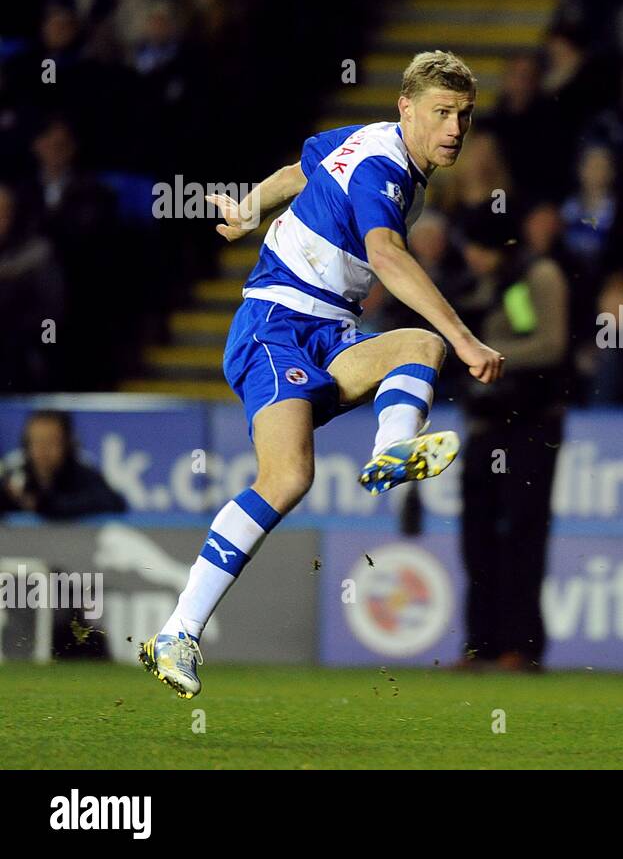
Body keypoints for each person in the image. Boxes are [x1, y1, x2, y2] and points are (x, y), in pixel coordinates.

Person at [140, 51, 505, 699]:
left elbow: (297, 170)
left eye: (465, 116)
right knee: (289, 476)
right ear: (408, 109)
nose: (455, 128)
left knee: (416, 345)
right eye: (442, 113)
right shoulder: (385, 171)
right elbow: (386, 254)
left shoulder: (365, 139)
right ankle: (178, 629)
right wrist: (466, 334)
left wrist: (250, 208)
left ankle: (393, 451)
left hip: (328, 332)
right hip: (275, 325)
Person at [454, 217, 570, 671]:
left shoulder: (536, 277)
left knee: (523, 534)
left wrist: (485, 351)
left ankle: (521, 647)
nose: (472, 258)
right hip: (485, 425)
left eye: (479, 248)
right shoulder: (486, 284)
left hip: (530, 426)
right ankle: (480, 644)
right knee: (476, 537)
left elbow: (551, 345)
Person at [0, 411, 126, 519]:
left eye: (51, 442)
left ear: (67, 443)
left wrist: (46, 506)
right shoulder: (14, 475)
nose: (42, 449)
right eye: (36, 441)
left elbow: (114, 502)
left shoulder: (82, 474)